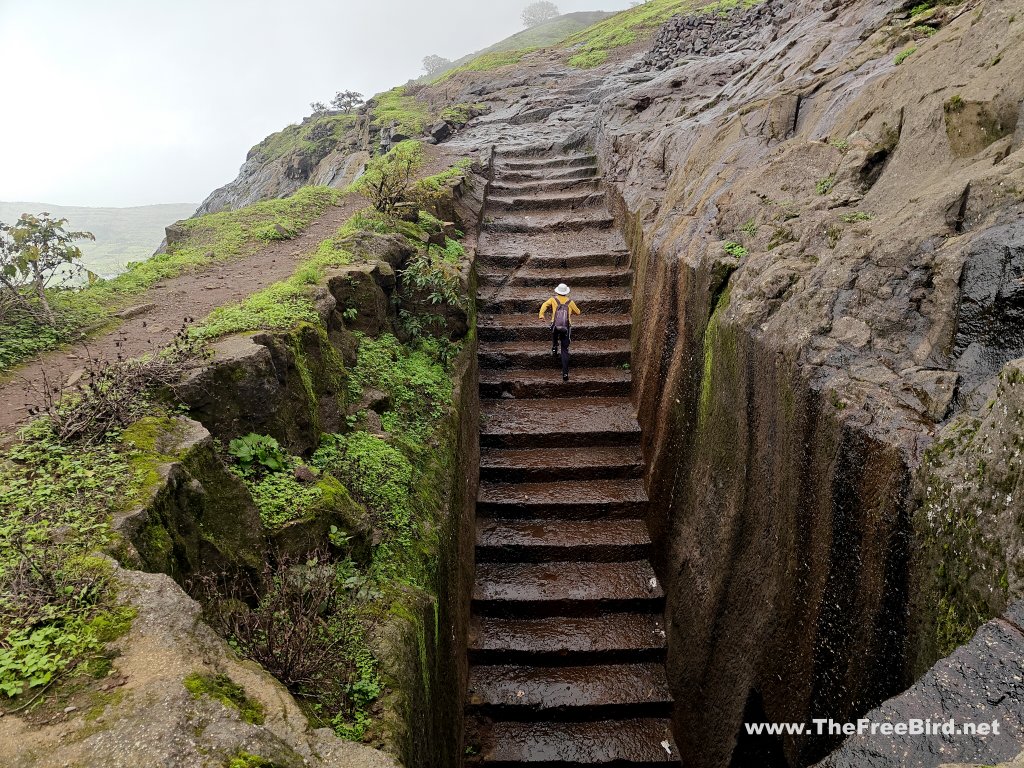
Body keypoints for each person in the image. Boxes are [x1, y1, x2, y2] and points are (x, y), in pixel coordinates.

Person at [539, 283, 580, 382]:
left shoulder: (553, 299)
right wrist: (571, 312)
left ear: (557, 291)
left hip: (555, 325)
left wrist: (541, 315)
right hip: (566, 327)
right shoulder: (570, 302)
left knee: (554, 330)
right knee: (564, 350)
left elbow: (544, 305)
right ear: (566, 292)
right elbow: (578, 312)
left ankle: (554, 346)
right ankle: (565, 373)